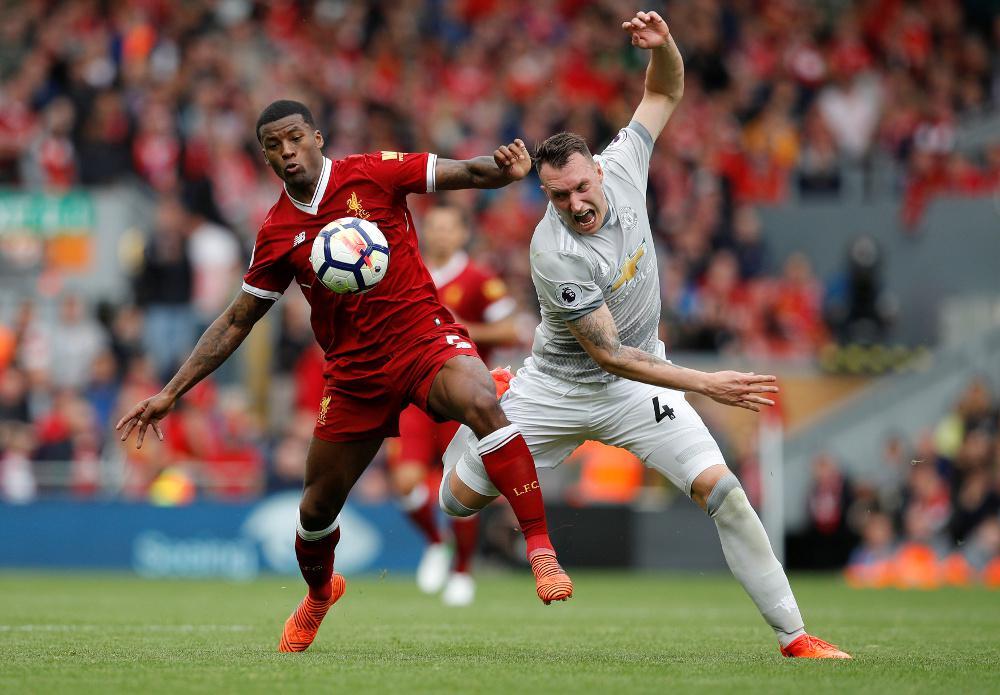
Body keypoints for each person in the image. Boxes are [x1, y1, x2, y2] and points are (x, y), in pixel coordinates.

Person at [438, 11, 851, 660]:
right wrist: (706, 383)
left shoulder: (625, 161)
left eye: (580, 187)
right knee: (456, 503)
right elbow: (608, 353)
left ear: (599, 172)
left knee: (725, 493)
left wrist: (665, 47)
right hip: (559, 387)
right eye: (558, 197)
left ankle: (795, 637)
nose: (575, 204)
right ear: (544, 195)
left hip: (636, 390)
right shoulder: (553, 252)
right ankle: (494, 402)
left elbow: (662, 91)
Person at [116, 99, 572, 654]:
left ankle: (540, 550)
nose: (287, 151)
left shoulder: (372, 173)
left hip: (422, 340)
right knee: (314, 510)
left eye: (295, 138)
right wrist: (171, 392)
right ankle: (319, 593)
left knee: (481, 401)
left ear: (317, 138)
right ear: (265, 157)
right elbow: (237, 320)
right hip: (354, 375)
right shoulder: (277, 232)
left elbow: (470, 172)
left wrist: (505, 169)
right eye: (273, 146)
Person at [387, 203, 522, 606]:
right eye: (434, 227)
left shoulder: (479, 278)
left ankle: (463, 570)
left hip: (462, 399)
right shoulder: (409, 272)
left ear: (463, 234)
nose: (440, 234)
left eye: (449, 227)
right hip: (415, 394)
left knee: (462, 490)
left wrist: (457, 328)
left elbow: (509, 329)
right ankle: (435, 542)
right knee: (405, 483)